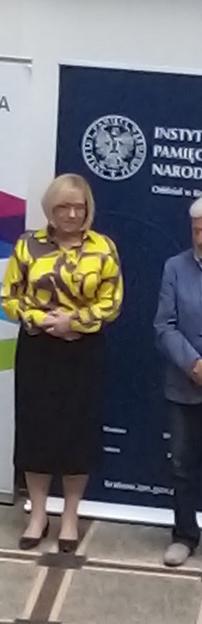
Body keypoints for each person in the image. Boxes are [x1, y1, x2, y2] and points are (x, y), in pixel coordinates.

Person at [1, 173, 123, 552]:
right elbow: (9, 297)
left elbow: (112, 301)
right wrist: (43, 320)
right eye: (63, 207)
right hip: (38, 349)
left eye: (79, 207)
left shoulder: (103, 248)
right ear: (49, 210)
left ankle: (70, 516)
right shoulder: (28, 245)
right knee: (35, 430)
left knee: (77, 433)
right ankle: (38, 514)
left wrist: (74, 321)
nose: (71, 214)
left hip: (83, 352)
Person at [154, 197, 202, 567]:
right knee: (182, 466)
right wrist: (193, 363)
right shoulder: (175, 267)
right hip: (185, 383)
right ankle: (185, 535)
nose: (201, 238)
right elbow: (164, 326)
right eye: (197, 231)